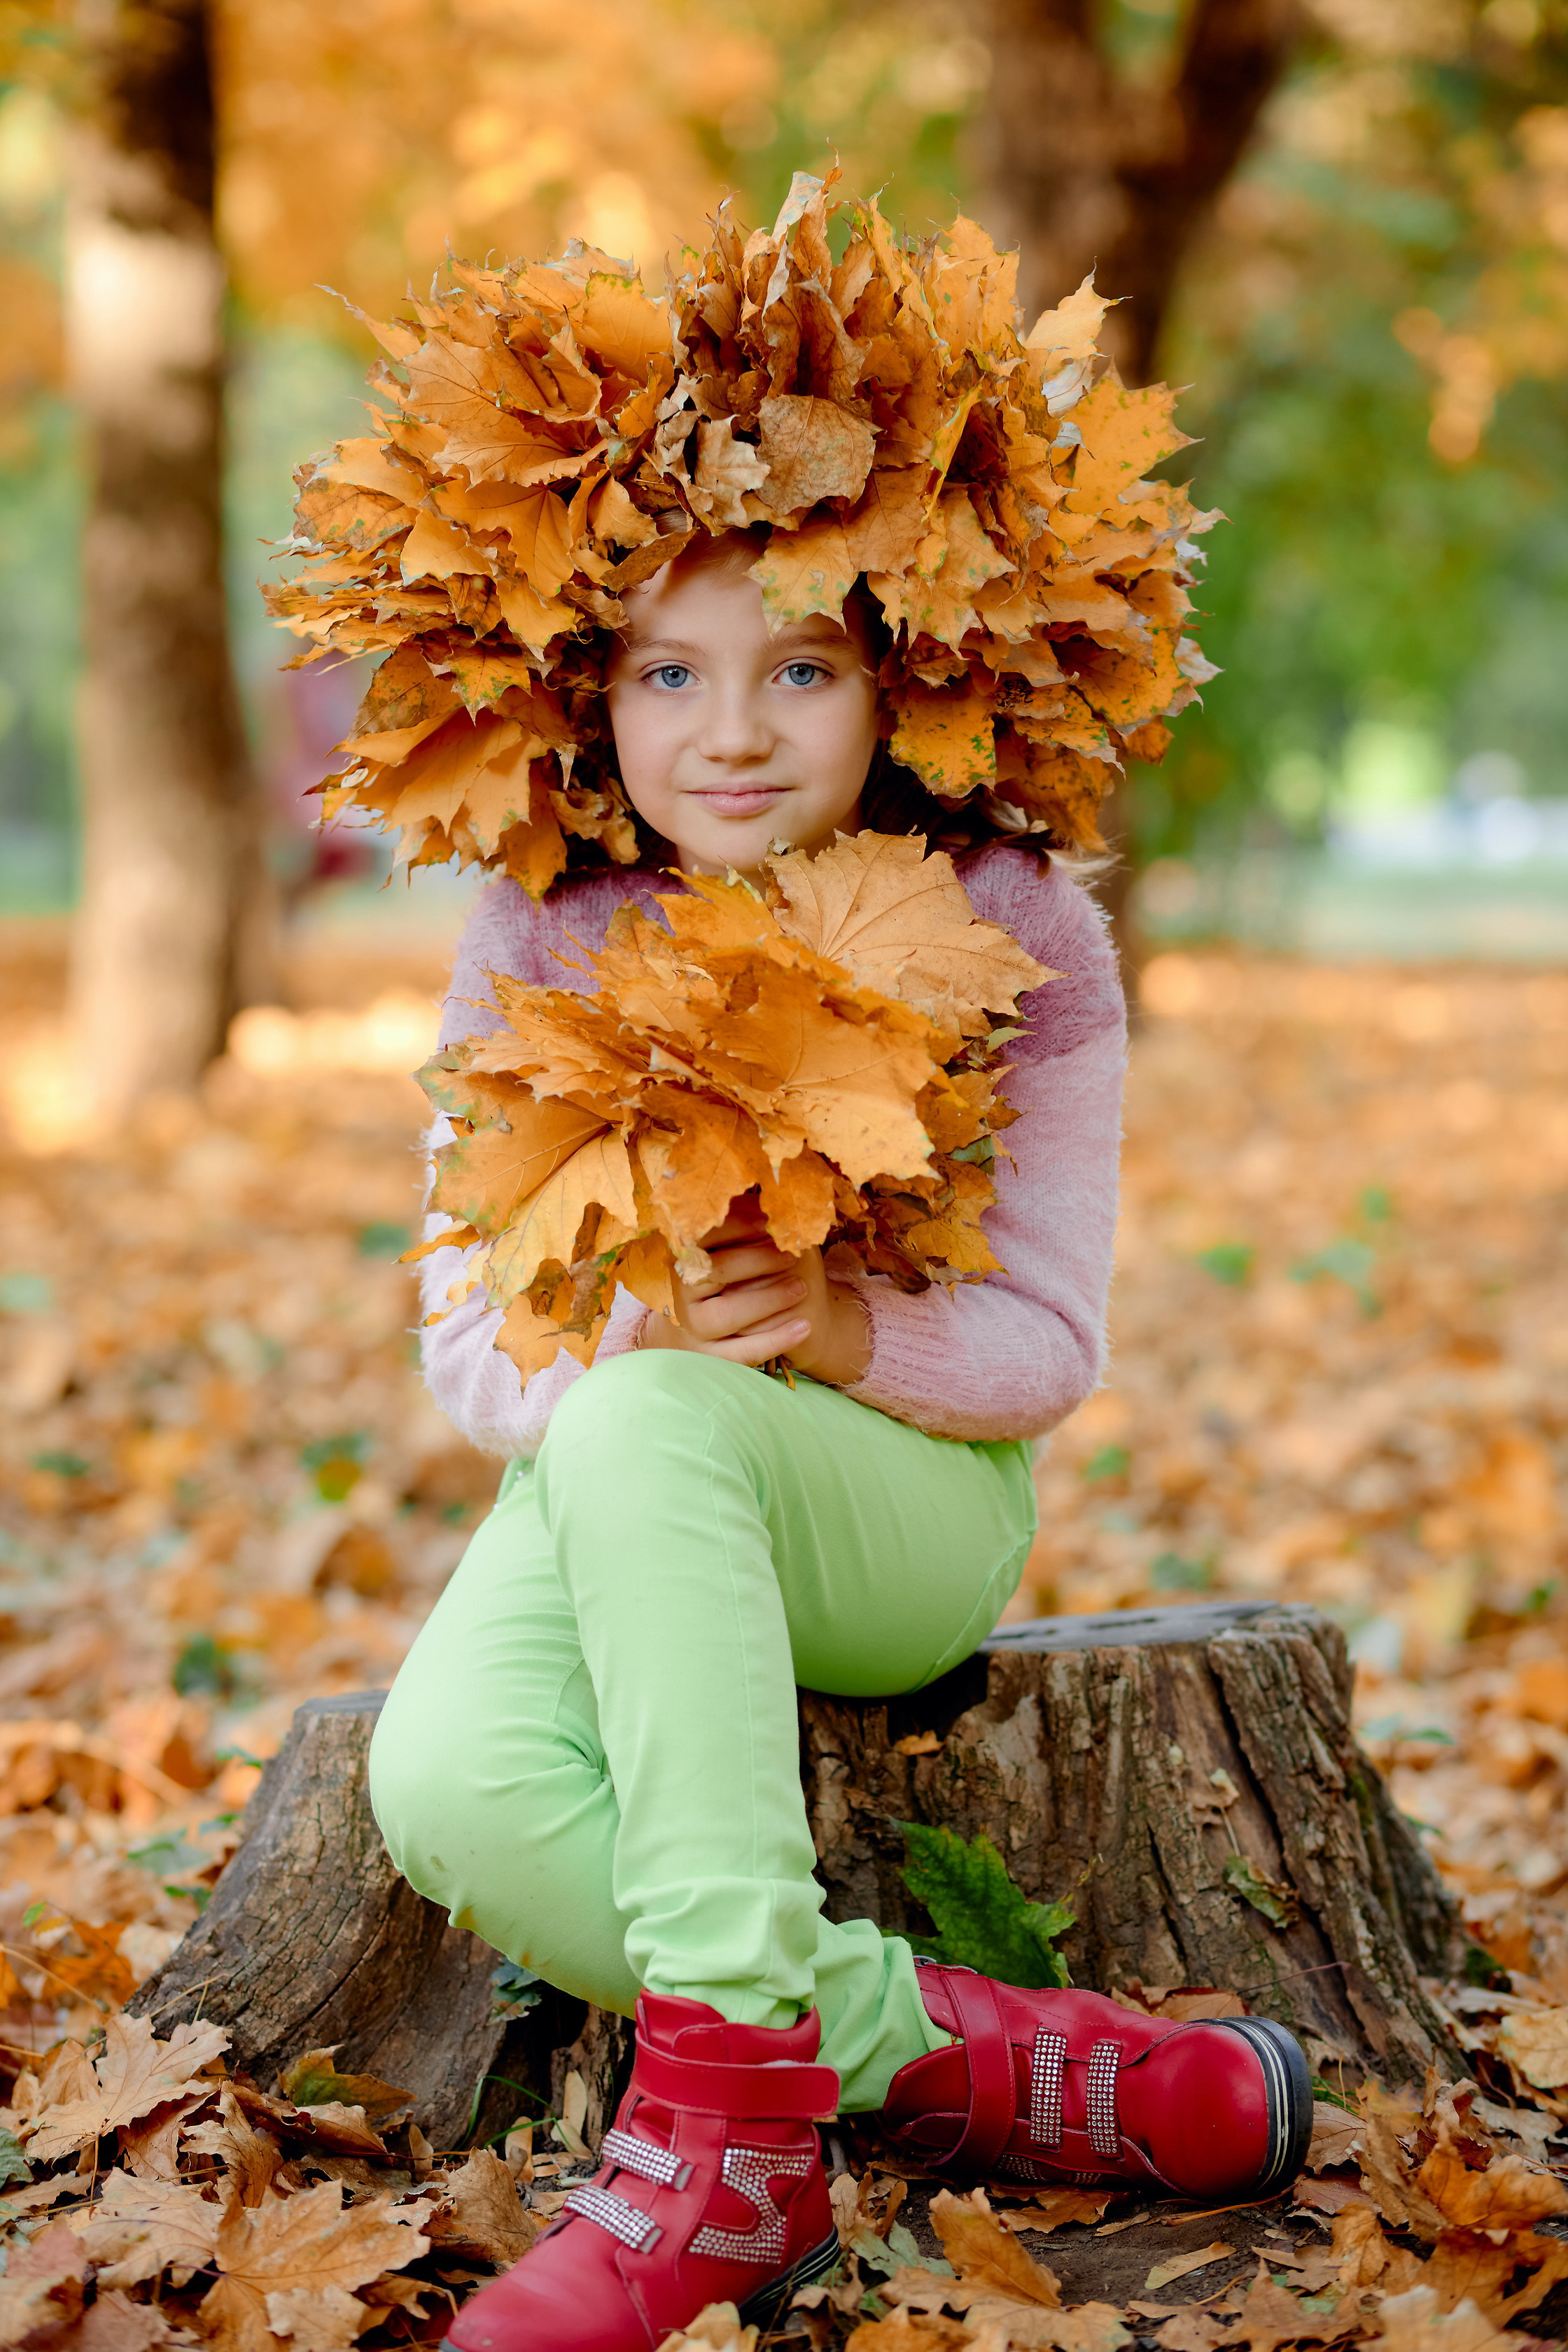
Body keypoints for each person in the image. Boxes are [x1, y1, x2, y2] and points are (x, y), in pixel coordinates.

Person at [366, 525, 1312, 2352]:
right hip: (620, 1474)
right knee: (450, 1787)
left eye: (799, 668)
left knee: (648, 1425)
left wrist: (835, 1325)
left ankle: (724, 2158)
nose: (733, 730)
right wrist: (630, 1318)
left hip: (901, 1505)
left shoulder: (1012, 920)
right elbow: (473, 1340)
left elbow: (1047, 1342)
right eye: (669, 673)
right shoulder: (538, 923)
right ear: (592, 691)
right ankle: (989, 2060)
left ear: (902, 680)